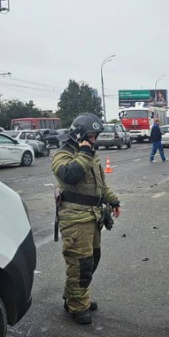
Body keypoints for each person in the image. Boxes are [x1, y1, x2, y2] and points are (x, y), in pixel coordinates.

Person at [52, 113, 121, 324]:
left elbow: (100, 183)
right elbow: (69, 175)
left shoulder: (90, 154)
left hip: (92, 216)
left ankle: (74, 294)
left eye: (95, 136)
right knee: (80, 263)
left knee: (92, 260)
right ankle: (77, 305)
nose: (94, 140)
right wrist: (83, 152)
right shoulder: (63, 155)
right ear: (80, 135)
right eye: (91, 136)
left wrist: (113, 200)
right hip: (75, 218)